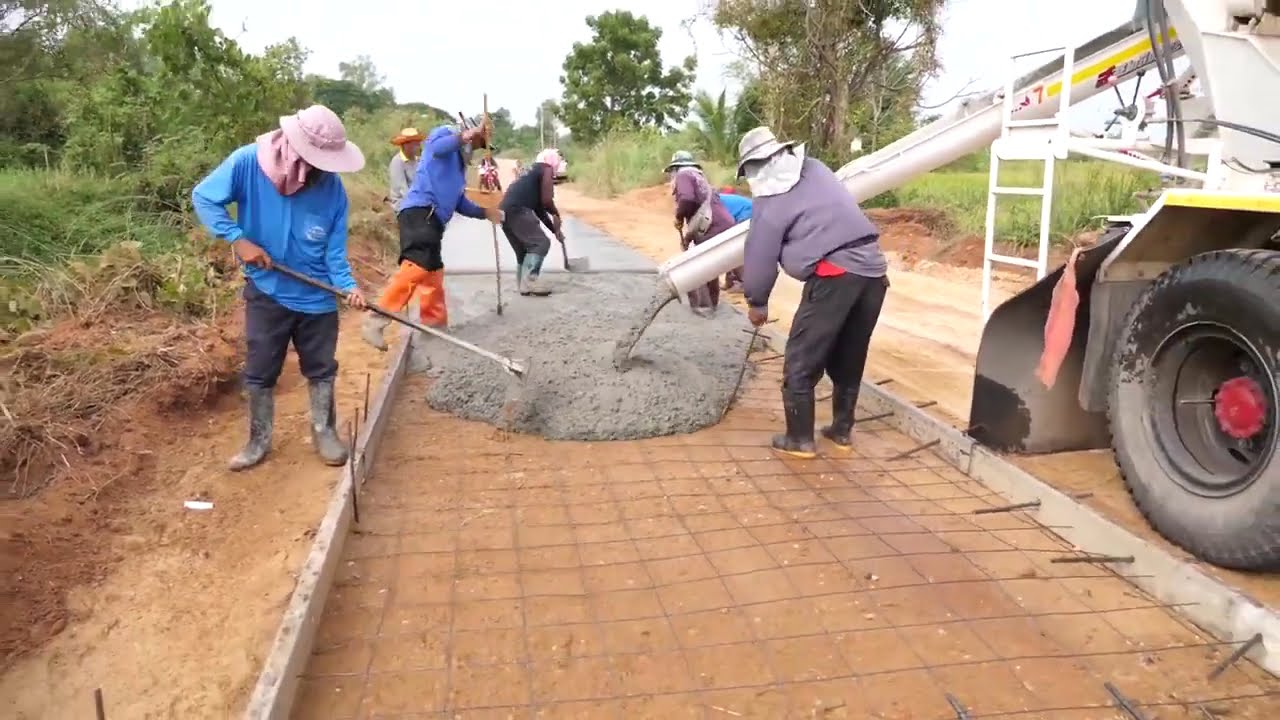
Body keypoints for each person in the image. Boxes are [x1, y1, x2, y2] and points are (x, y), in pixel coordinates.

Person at [192, 105, 368, 471]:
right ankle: (258, 440)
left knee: (321, 368)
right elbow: (204, 198)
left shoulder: (333, 191)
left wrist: (348, 287)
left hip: (318, 297)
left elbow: (335, 253)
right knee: (260, 369)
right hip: (267, 289)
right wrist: (237, 239)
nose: (324, 169)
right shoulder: (246, 164)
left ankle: (324, 431)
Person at [737, 126, 889, 459]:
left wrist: (757, 301)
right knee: (849, 355)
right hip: (874, 273)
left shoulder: (768, 200)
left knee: (800, 359)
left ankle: (800, 439)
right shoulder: (816, 168)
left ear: (754, 167)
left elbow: (760, 253)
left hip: (835, 275)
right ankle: (841, 431)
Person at [362, 124, 502, 350]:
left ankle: (434, 326)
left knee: (433, 272)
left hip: (434, 220)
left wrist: (486, 213)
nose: (476, 147)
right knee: (417, 265)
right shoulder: (444, 137)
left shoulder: (458, 171)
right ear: (469, 135)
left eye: (480, 144)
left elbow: (460, 204)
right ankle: (376, 319)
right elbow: (436, 147)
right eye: (477, 142)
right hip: (420, 211)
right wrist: (467, 134)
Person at [667, 150, 735, 317]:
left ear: (676, 168)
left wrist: (679, 217)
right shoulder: (700, 177)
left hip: (710, 226)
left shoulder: (683, 175)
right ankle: (712, 302)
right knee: (709, 262)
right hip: (722, 222)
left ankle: (703, 306)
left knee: (697, 264)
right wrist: (689, 236)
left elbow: (687, 199)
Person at [499, 148, 565, 296]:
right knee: (540, 243)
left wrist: (556, 231)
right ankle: (530, 282)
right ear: (552, 162)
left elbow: (540, 209)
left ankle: (522, 284)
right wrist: (556, 213)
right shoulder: (546, 169)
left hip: (504, 211)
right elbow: (547, 200)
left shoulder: (530, 173)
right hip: (518, 210)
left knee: (524, 251)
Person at [717, 186, 752, 293]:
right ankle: (731, 281)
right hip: (742, 214)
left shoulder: (712, 203)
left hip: (748, 214)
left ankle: (743, 284)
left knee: (735, 249)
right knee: (729, 249)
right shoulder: (713, 200)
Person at [387, 127, 425, 208]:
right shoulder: (397, 162)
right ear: (405, 144)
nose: (418, 145)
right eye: (415, 143)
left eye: (418, 142)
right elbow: (402, 190)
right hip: (402, 204)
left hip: (417, 201)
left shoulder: (418, 161)